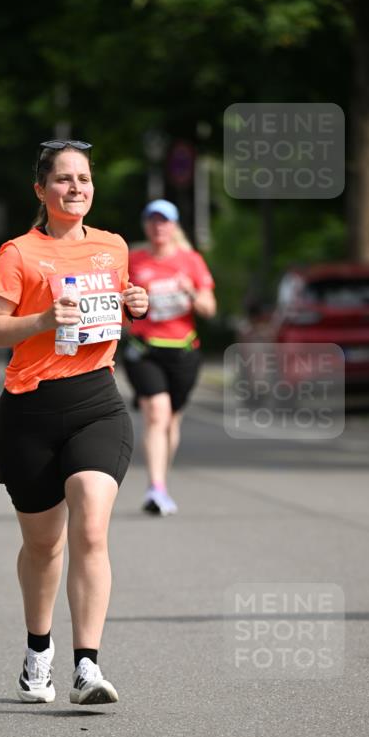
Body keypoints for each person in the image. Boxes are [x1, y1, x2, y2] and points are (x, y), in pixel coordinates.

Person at [0, 139, 148, 706]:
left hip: (97, 401)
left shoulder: (113, 246)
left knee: (91, 528)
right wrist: (43, 319)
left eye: (84, 179)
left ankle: (87, 667)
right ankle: (38, 653)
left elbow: (116, 302)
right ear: (41, 191)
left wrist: (134, 302)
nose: (77, 189)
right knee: (44, 546)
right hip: (31, 410)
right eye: (64, 180)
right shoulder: (18, 253)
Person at [120, 199, 216, 516]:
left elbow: (209, 308)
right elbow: (119, 305)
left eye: (165, 221)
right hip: (145, 349)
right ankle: (156, 488)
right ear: (146, 226)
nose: (158, 226)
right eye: (153, 221)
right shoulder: (134, 260)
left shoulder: (191, 261)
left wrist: (190, 291)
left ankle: (161, 482)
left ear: (174, 227)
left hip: (183, 350)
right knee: (157, 414)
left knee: (172, 420)